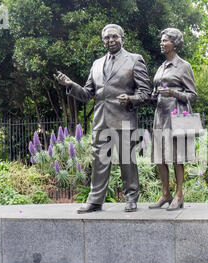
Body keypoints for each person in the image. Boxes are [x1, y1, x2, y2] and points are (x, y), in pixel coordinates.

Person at [54, 24, 151, 213]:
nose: (110, 40)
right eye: (106, 38)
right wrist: (71, 84)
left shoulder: (134, 60)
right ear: (103, 41)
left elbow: (145, 92)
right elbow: (87, 94)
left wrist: (131, 99)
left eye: (114, 36)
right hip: (101, 120)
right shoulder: (97, 64)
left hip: (124, 118)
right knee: (99, 161)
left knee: (127, 161)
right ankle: (96, 200)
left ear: (122, 38)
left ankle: (131, 198)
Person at [149, 28, 197, 211]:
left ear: (174, 43)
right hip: (160, 115)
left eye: (165, 41)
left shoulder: (183, 66)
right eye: (161, 41)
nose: (162, 43)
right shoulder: (161, 67)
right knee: (159, 157)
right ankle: (165, 194)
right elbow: (157, 90)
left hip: (176, 115)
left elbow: (192, 95)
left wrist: (172, 92)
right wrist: (154, 94)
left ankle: (179, 194)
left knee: (177, 157)